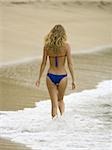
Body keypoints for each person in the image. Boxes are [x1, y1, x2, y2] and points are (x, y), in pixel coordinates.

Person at [35, 24, 76, 119]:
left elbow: (43, 63)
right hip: (62, 77)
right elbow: (70, 64)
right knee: (60, 100)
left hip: (50, 76)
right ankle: (62, 123)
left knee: (53, 104)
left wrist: (39, 78)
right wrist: (74, 79)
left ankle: (54, 128)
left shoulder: (47, 47)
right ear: (63, 34)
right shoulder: (66, 46)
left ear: (52, 33)